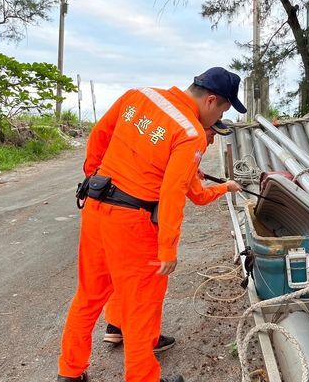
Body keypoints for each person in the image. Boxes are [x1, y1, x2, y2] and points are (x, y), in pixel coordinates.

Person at [56, 67, 246, 382]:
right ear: (211, 100)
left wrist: (95, 177)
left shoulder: (138, 96)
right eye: (221, 111)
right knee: (142, 301)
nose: (218, 118)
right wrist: (168, 247)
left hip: (96, 208)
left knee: (89, 293)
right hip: (133, 223)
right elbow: (175, 193)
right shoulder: (189, 133)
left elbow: (99, 135)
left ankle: (70, 370)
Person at [102, 121, 240, 345]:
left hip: (116, 213)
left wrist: (193, 171)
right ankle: (147, 340)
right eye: (212, 134)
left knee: (125, 275)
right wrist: (227, 187)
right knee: (150, 283)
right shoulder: (190, 144)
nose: (212, 140)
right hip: (145, 222)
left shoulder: (166, 140)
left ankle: (115, 325)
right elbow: (199, 196)